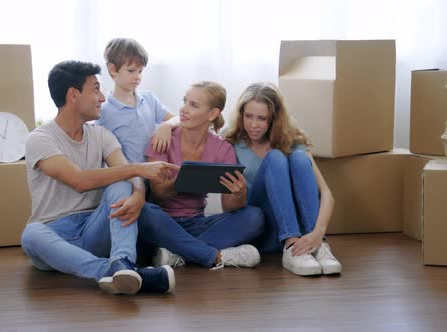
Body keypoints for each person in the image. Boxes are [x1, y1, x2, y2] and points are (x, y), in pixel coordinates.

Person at [20, 60, 181, 295]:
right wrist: (138, 170)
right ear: (73, 95)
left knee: (120, 185)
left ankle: (122, 262)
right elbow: (79, 181)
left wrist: (138, 193)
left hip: (94, 228)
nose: (103, 98)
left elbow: (127, 173)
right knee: (31, 235)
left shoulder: (101, 135)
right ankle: (118, 271)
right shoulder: (40, 139)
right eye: (95, 89)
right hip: (54, 235)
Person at [136, 81, 265, 269]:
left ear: (212, 114)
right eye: (185, 101)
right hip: (163, 222)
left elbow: (229, 206)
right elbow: (158, 194)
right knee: (144, 210)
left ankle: (179, 254)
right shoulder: (163, 139)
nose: (183, 109)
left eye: (193, 105)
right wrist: (182, 180)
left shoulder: (223, 148)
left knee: (255, 216)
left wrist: (239, 194)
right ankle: (215, 256)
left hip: (197, 223)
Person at [224, 82, 342, 276]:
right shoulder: (230, 140)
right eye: (248, 116)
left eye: (262, 118)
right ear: (241, 114)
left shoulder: (291, 139)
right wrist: (168, 125)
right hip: (261, 228)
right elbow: (228, 208)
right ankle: (291, 244)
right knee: (276, 157)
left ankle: (316, 247)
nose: (253, 124)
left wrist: (318, 234)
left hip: (303, 230)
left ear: (273, 119)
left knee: (298, 158)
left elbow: (327, 194)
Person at [97, 38, 178, 163]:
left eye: (140, 71)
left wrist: (166, 126)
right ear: (112, 69)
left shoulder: (149, 99)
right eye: (131, 71)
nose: (138, 77)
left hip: (153, 173)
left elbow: (179, 119)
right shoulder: (103, 112)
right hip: (126, 176)